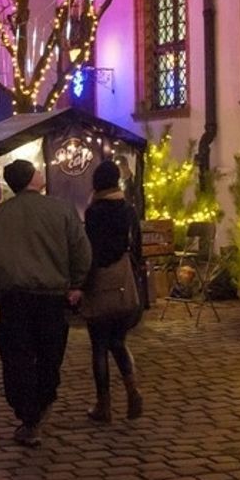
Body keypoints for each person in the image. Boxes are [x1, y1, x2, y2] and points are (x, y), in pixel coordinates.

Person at [0, 160, 91, 448]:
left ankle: (29, 415)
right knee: (49, 357)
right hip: (52, 299)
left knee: (18, 358)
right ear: (32, 178)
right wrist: (76, 284)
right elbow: (81, 250)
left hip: (14, 300)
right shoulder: (62, 210)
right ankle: (40, 406)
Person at [82, 160, 144, 423]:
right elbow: (138, 249)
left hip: (100, 283)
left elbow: (90, 252)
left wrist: (81, 284)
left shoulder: (94, 211)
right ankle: (132, 390)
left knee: (99, 347)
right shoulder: (128, 210)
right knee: (118, 342)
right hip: (124, 286)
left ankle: (104, 405)